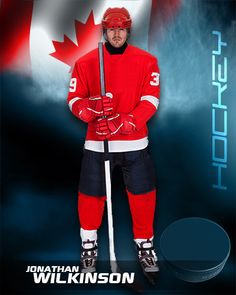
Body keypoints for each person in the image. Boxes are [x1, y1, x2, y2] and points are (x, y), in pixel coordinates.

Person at [67, 7, 160, 276]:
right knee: (90, 197)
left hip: (134, 144)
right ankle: (88, 245)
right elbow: (74, 100)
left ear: (128, 30)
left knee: (142, 197)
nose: (116, 33)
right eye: (111, 28)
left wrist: (128, 121)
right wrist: (89, 109)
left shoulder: (147, 61)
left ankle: (144, 245)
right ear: (104, 30)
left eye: (121, 28)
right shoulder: (85, 63)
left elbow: (151, 99)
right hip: (97, 144)